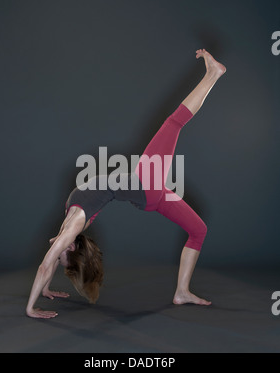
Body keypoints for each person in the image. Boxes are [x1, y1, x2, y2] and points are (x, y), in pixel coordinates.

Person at [26, 49, 226, 319]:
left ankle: (182, 292)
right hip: (146, 184)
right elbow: (46, 264)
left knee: (198, 230)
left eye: (60, 256)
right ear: (71, 246)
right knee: (174, 122)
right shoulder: (72, 226)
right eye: (62, 253)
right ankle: (213, 73)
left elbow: (48, 262)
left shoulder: (69, 222)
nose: (57, 251)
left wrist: (46, 288)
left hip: (147, 192)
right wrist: (31, 307)